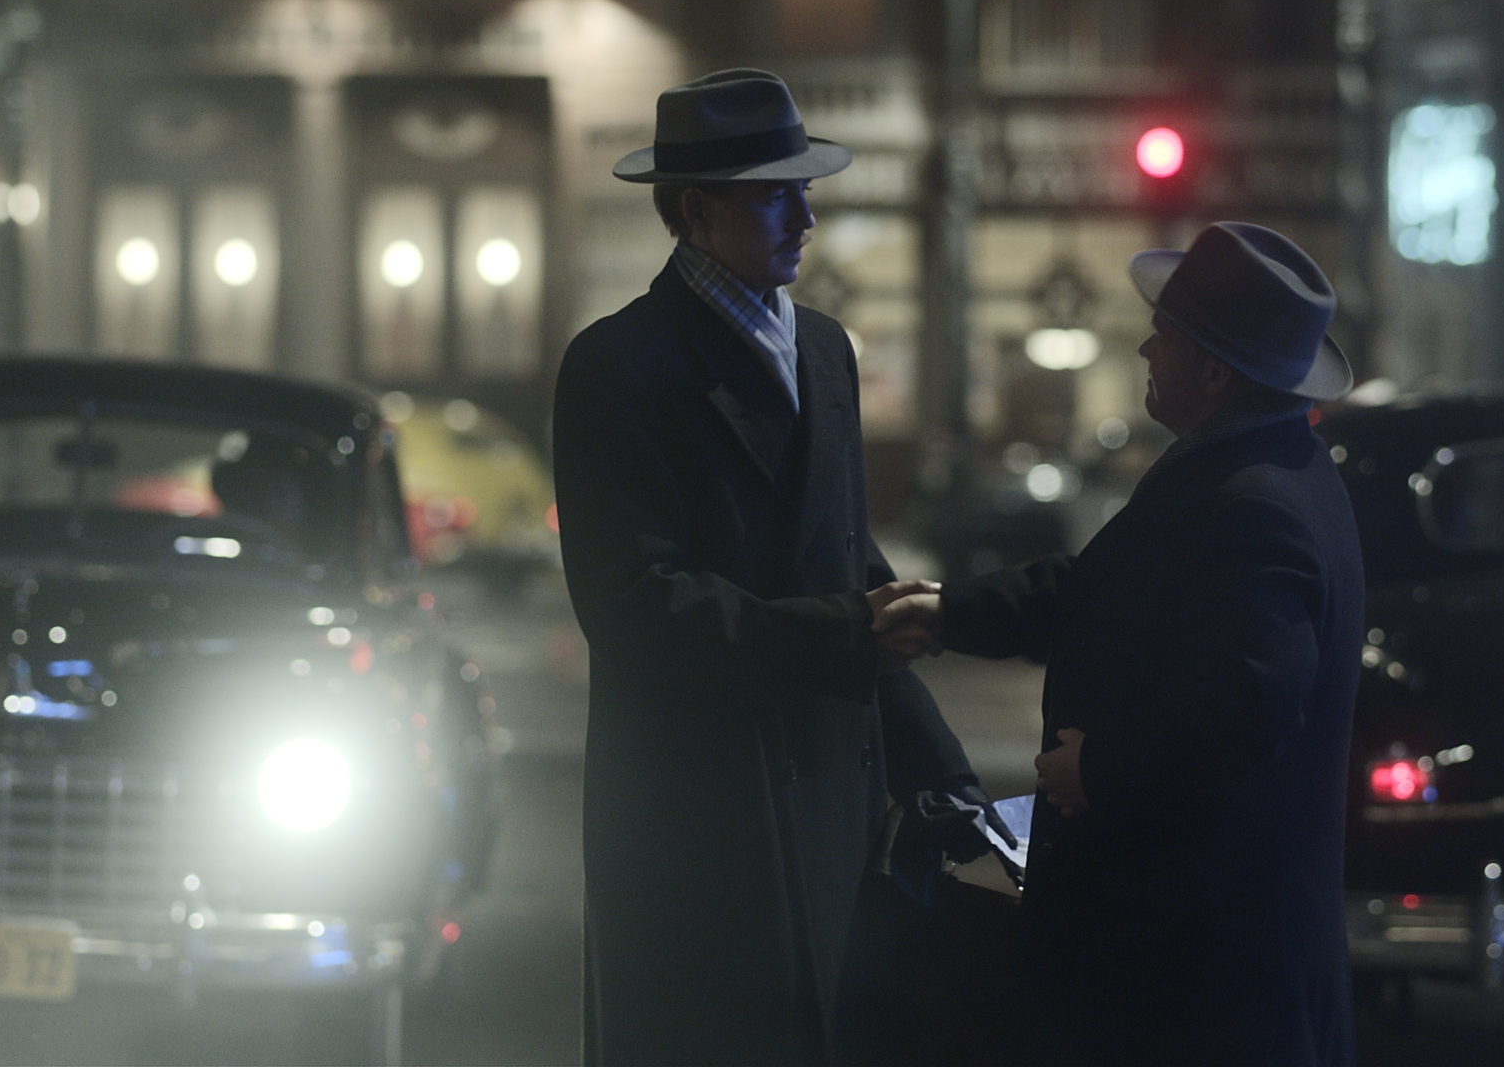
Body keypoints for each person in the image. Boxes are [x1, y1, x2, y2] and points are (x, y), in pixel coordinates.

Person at [552, 69, 996, 1066]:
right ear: (695, 212)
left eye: (804, 188)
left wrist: (945, 778)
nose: (805, 216)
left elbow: (853, 564)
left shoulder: (825, 350)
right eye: (771, 195)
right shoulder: (619, 364)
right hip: (696, 822)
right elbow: (633, 606)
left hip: (832, 808)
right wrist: (845, 633)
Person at [883, 222, 1365, 1065]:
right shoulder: (1249, 470)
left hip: (1204, 988)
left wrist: (1098, 771)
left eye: (1164, 335)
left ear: (1213, 373)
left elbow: (1248, 708)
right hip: (1188, 972)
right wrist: (950, 611)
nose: (1145, 347)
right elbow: (1104, 589)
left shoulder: (1256, 505)